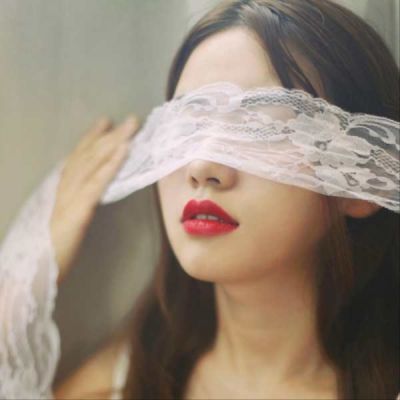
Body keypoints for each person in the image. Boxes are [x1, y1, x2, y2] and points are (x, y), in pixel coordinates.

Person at [1, 0, 399, 399]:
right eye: (186, 127)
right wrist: (23, 283)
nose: (201, 166)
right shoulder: (118, 383)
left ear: (361, 181)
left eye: (257, 126)